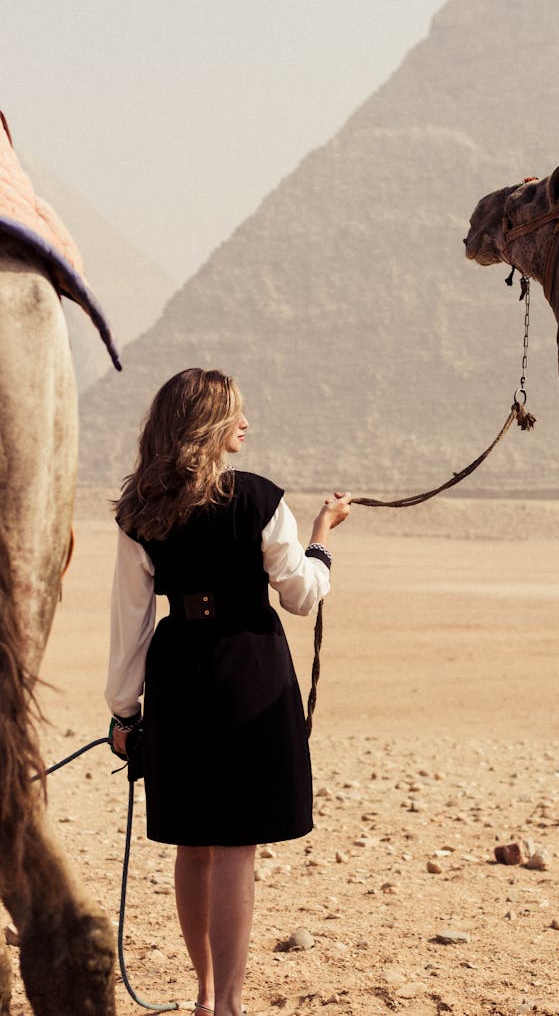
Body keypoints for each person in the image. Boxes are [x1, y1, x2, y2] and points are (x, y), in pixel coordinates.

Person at [105, 367, 350, 1016]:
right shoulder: (262, 500)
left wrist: (123, 713)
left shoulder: (141, 512)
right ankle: (229, 1008)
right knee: (236, 848)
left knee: (193, 842)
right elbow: (300, 595)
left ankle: (205, 993)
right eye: (236, 413)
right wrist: (322, 538)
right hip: (249, 674)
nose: (247, 423)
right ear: (208, 426)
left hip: (179, 677)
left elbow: (128, 620)